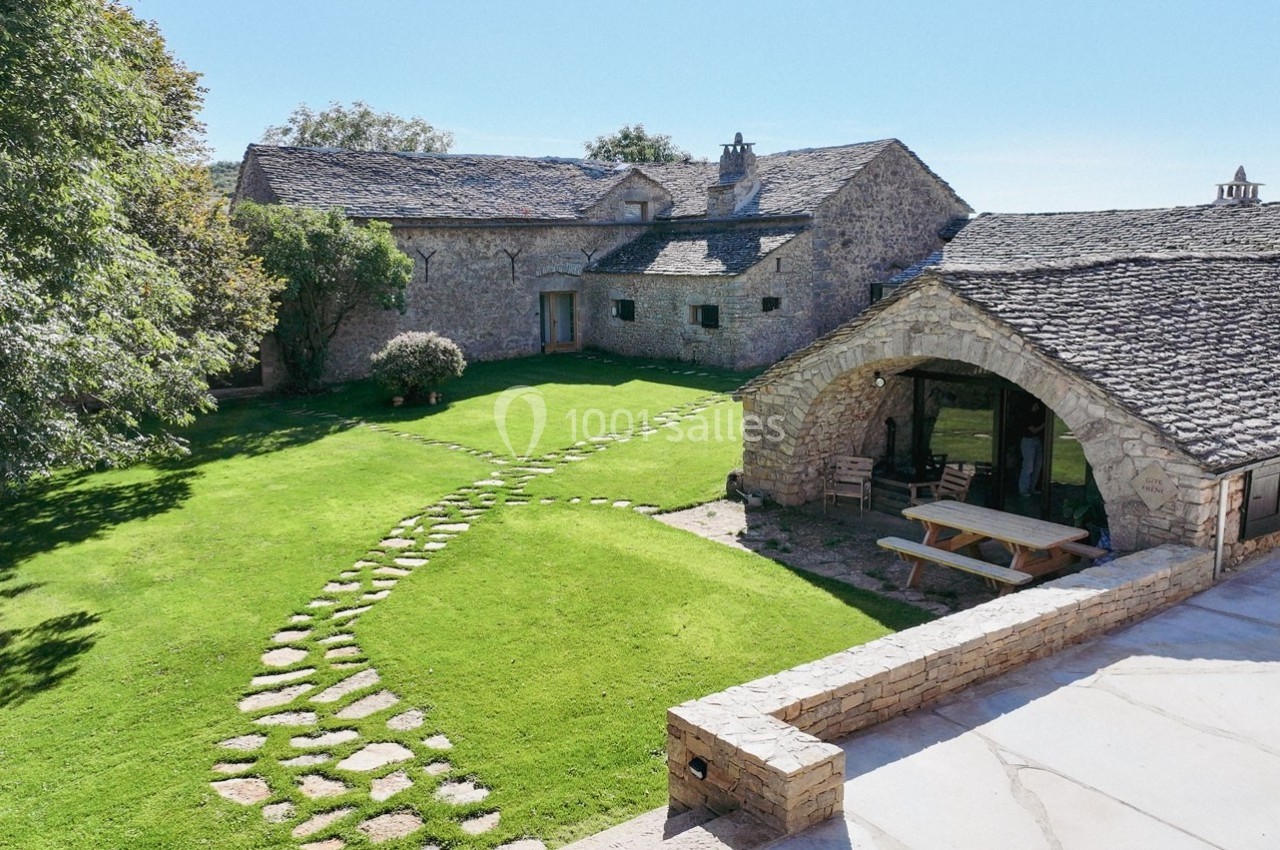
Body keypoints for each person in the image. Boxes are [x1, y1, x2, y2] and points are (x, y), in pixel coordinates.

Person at [1018, 399, 1046, 496]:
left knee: (1038, 465)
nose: (1037, 407)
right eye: (1035, 405)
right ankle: (1023, 489)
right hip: (1028, 441)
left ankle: (1032, 488)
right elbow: (1034, 430)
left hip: (1037, 441)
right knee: (1028, 466)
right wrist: (1046, 424)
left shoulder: (1038, 415)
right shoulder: (1026, 416)